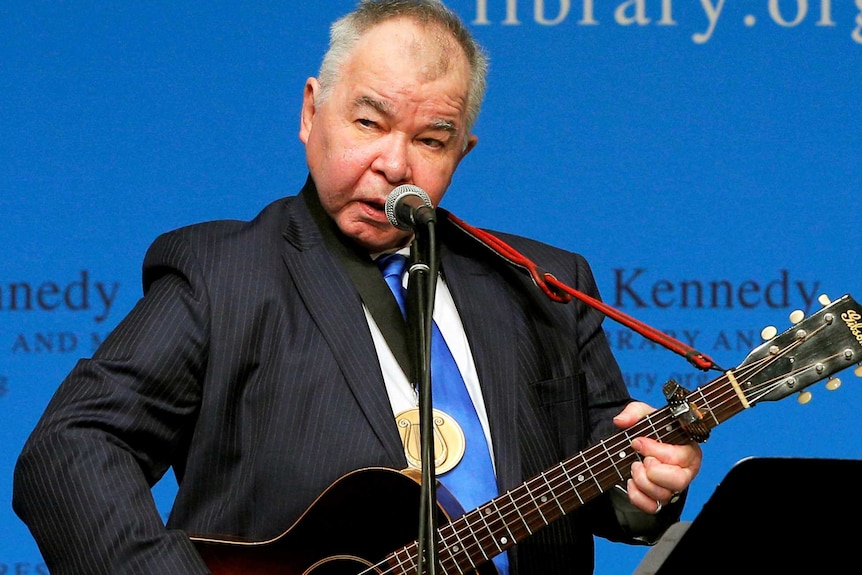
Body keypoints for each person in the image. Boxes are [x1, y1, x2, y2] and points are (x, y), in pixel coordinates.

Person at [13, 1, 703, 574]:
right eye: (368, 122)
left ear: (462, 152)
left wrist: (645, 488)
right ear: (313, 112)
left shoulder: (546, 283)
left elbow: (610, 476)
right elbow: (70, 445)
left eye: (432, 139)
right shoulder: (223, 272)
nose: (394, 164)